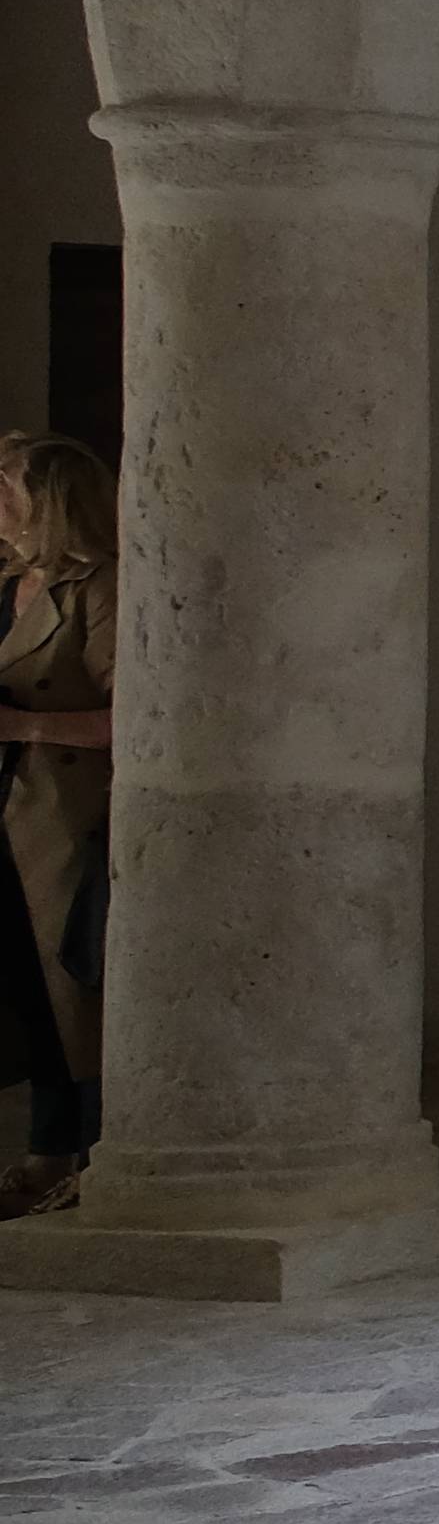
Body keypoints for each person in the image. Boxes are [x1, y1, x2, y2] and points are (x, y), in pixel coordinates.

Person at [0, 432, 114, 1220]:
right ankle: (46, 1155)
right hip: (9, 811)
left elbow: (133, 717)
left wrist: (24, 726)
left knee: (77, 991)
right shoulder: (11, 583)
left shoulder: (100, 589)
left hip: (67, 819)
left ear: (49, 504)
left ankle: (98, 1159)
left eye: (5, 488)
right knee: (25, 987)